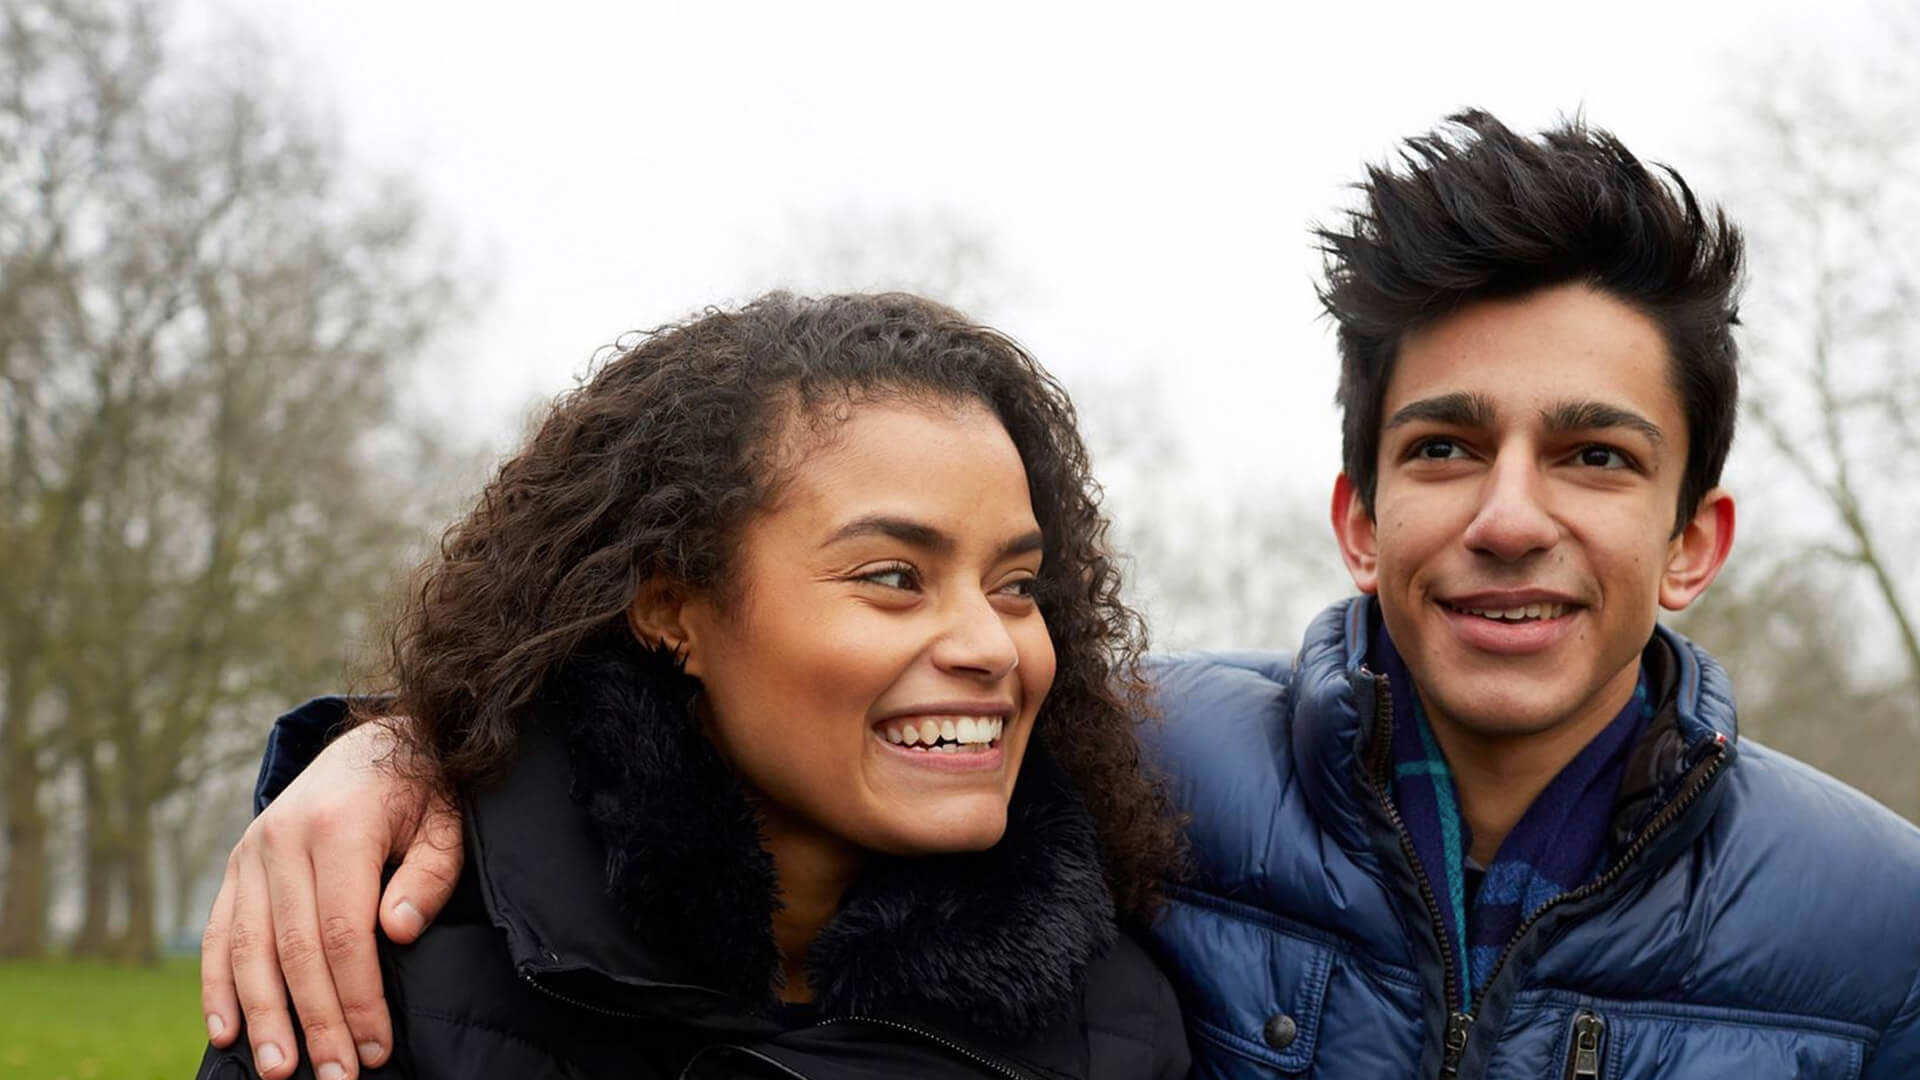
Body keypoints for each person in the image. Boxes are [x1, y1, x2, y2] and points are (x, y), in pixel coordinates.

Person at [205, 112, 1920, 1079]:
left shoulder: (1881, 923)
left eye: (1599, 457)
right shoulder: (1148, 770)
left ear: (1696, 540)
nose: (1513, 517)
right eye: (1447, 447)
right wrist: (407, 748)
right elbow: (745, 744)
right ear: (1358, 514)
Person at [195, 292, 1191, 1079]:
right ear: (672, 609)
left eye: (1016, 586)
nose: (992, 645)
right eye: (894, 577)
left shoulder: (1120, 1024)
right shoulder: (370, 962)